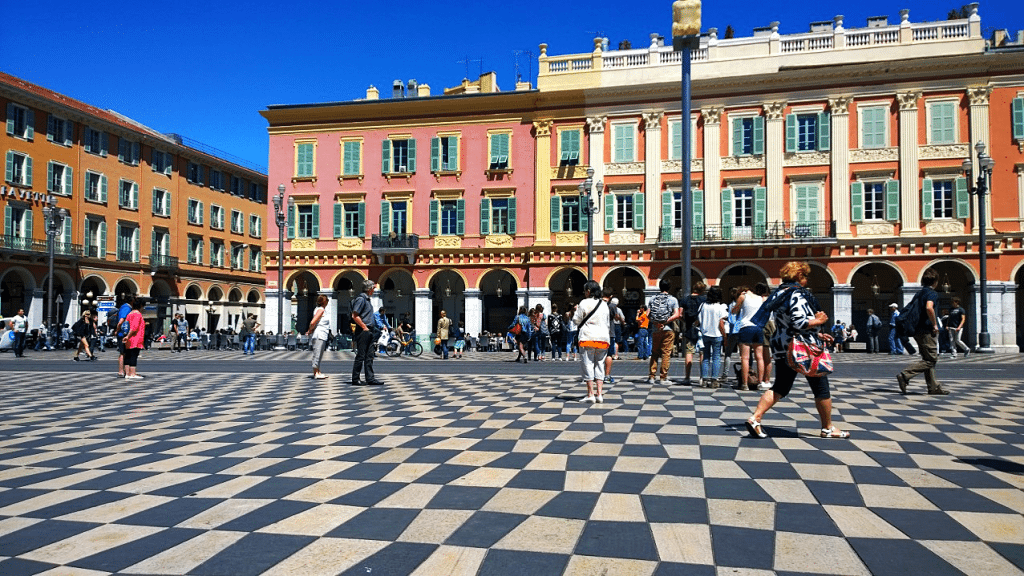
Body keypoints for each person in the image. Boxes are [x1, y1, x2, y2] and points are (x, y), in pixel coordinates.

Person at [745, 261, 849, 439]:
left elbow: (788, 323)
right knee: (821, 387)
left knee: (781, 387)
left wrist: (819, 334)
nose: (807, 279)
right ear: (799, 276)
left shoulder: (779, 294)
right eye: (805, 275)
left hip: (783, 345)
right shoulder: (797, 295)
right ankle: (828, 428)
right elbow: (799, 322)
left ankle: (755, 418)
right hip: (801, 348)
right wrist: (819, 322)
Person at [897, 271, 948, 395]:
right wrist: (935, 324)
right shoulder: (932, 293)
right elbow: (929, 307)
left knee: (927, 358)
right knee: (931, 360)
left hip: (917, 330)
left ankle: (933, 387)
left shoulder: (919, 293)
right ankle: (905, 375)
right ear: (935, 282)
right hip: (926, 330)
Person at [573, 280, 611, 403]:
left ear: (588, 291)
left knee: (588, 365)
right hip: (603, 339)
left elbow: (576, 320)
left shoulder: (584, 303)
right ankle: (599, 394)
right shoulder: (604, 304)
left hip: (588, 338)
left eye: (585, 290)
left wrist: (576, 310)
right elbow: (607, 323)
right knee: (600, 365)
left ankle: (590, 394)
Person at [647, 279, 683, 384]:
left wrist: (657, 323)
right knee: (666, 353)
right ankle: (663, 377)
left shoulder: (652, 298)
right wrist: (665, 322)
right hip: (668, 329)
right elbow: (677, 315)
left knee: (654, 353)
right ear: (669, 288)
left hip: (655, 329)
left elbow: (648, 314)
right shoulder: (673, 299)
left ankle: (652, 377)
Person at [733, 283, 767, 390]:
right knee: (759, 357)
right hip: (758, 328)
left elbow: (734, 311)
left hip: (746, 327)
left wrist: (739, 300)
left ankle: (745, 384)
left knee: (745, 358)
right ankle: (760, 382)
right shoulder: (761, 298)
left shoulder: (743, 297)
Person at [350, 280, 382, 385]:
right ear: (369, 289)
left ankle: (370, 378)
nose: (374, 290)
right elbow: (355, 315)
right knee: (361, 355)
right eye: (373, 288)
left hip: (369, 330)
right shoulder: (361, 299)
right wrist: (364, 327)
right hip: (364, 330)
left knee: (369, 355)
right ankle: (355, 379)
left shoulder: (367, 300)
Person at [697, 286, 729, 388]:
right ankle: (714, 380)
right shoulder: (721, 307)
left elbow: (699, 320)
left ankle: (705, 379)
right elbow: (721, 323)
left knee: (706, 357)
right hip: (717, 334)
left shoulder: (703, 305)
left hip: (705, 334)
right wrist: (725, 336)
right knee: (716, 357)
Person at [679, 282, 707, 384]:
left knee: (689, 352)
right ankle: (702, 377)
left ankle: (687, 377)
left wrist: (685, 321)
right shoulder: (704, 300)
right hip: (702, 329)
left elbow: (679, 314)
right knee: (702, 353)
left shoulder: (685, 299)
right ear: (702, 290)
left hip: (689, 328)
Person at [306, 294, 331, 379]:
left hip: (322, 334)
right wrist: (310, 330)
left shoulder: (321, 309)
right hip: (319, 334)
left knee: (319, 353)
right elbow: (313, 322)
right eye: (327, 300)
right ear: (324, 302)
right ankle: (316, 373)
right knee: (317, 353)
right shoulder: (320, 310)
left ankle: (318, 371)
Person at [122, 298, 146, 379]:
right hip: (135, 338)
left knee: (128, 355)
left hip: (129, 339)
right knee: (133, 356)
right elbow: (134, 327)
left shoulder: (129, 314)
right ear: (141, 306)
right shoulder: (138, 314)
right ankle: (132, 373)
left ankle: (127, 373)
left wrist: (126, 336)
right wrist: (128, 336)